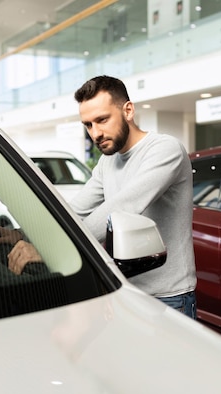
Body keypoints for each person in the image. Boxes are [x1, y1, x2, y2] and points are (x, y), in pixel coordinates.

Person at [70, 75, 197, 318]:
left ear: (128, 110)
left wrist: (60, 244)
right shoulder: (108, 162)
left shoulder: (165, 149)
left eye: (102, 120)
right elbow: (76, 210)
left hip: (168, 298)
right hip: (125, 292)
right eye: (88, 125)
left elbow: (123, 208)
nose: (95, 133)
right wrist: (29, 234)